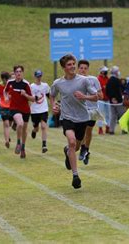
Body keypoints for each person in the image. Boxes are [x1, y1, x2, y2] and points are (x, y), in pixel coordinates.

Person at [50, 54, 100, 189]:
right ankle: (75, 176)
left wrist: (84, 96)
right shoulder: (58, 83)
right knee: (72, 142)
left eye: (73, 64)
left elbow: (97, 97)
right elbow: (52, 95)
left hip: (82, 118)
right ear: (63, 67)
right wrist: (54, 106)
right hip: (66, 118)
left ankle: (67, 151)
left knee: (76, 147)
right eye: (69, 65)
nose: (72, 67)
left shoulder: (84, 81)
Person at [4, 65, 35, 159]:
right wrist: (6, 97)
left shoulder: (26, 84)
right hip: (14, 108)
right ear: (14, 73)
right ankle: (18, 143)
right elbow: (5, 91)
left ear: (22, 73)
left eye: (20, 71)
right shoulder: (10, 82)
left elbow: (33, 99)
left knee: (24, 130)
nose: (18, 73)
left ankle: (23, 148)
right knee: (20, 124)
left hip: (25, 109)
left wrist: (25, 94)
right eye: (17, 71)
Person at [77, 60, 103, 165]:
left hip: (92, 110)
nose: (83, 70)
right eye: (81, 68)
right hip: (80, 110)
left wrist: (91, 95)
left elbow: (101, 96)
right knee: (81, 130)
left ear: (88, 69)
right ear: (78, 69)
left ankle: (86, 149)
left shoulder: (93, 79)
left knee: (88, 131)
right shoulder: (75, 80)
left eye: (85, 68)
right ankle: (83, 148)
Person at [30, 70, 51, 153]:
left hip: (43, 109)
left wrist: (54, 103)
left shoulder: (45, 86)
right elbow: (29, 98)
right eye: (37, 76)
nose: (39, 78)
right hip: (35, 110)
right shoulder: (31, 86)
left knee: (43, 126)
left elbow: (49, 95)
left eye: (40, 76)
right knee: (36, 128)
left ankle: (44, 145)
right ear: (35, 77)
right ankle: (34, 131)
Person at [106, 65, 125, 134]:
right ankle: (124, 129)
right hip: (118, 101)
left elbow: (107, 91)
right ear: (116, 72)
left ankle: (111, 130)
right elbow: (118, 91)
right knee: (122, 115)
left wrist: (111, 98)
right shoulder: (117, 80)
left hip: (111, 101)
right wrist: (115, 98)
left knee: (113, 116)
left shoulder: (109, 80)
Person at [0, 72, 13, 148]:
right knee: (6, 124)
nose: (8, 81)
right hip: (3, 107)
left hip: (12, 106)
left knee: (9, 124)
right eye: (7, 80)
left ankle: (7, 135)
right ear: (3, 79)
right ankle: (6, 141)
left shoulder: (11, 85)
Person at [97, 66, 110, 135]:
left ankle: (108, 127)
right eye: (104, 71)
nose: (106, 72)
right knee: (100, 114)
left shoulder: (107, 79)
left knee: (108, 114)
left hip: (107, 99)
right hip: (100, 100)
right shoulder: (98, 79)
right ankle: (100, 128)